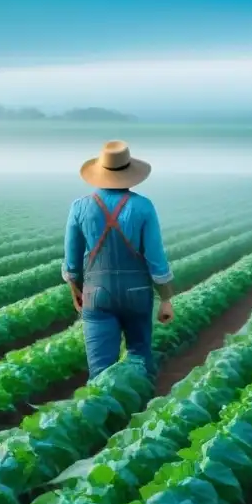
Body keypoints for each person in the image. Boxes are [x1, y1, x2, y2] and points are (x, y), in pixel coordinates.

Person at [62, 140, 174, 379]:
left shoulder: (79, 207)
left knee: (101, 372)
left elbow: (71, 265)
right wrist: (165, 299)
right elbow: (156, 260)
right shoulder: (143, 206)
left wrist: (76, 291)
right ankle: (142, 409)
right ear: (129, 173)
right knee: (140, 358)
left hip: (97, 294)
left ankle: (103, 410)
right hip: (138, 293)